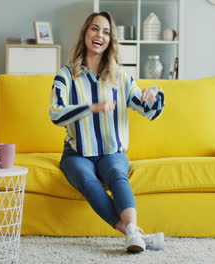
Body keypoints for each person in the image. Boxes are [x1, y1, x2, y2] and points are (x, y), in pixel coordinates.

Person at [49, 11, 165, 253]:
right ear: (85, 33)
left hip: (112, 151)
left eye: (106, 31)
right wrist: (90, 107)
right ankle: (134, 233)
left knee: (115, 171)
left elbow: (149, 112)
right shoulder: (66, 75)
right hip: (77, 153)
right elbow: (56, 114)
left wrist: (153, 94)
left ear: (111, 40)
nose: (99, 35)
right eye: (94, 28)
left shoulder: (121, 77)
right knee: (86, 178)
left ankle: (134, 233)